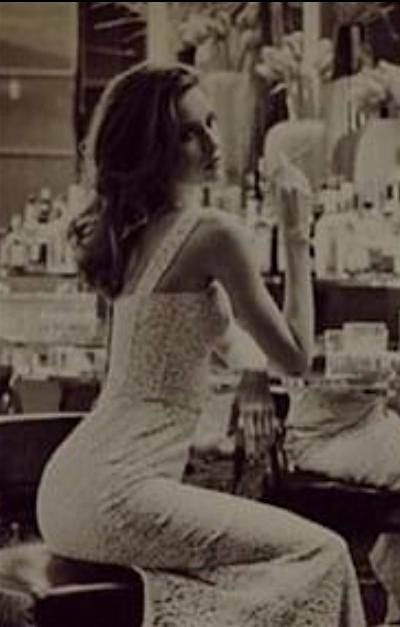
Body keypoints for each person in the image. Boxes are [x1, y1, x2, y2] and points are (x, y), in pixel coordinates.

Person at [35, 62, 366, 627]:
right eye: (189, 133)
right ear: (152, 149)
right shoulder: (212, 232)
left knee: (239, 579)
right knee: (323, 553)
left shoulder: (133, 234)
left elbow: (223, 339)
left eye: (211, 122)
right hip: (120, 494)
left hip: (66, 492)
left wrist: (251, 372)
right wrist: (296, 235)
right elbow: (296, 357)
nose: (213, 143)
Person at [221, 127, 400, 627]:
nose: (302, 180)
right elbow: (238, 327)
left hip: (369, 413)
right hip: (311, 426)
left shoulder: (324, 228)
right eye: (291, 168)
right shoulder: (254, 238)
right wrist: (251, 373)